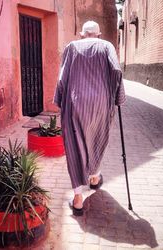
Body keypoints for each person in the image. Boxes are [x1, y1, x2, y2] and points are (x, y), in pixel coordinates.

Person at [53, 20, 126, 216]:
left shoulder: (72, 47)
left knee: (74, 146)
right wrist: (118, 98)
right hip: (101, 104)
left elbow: (62, 78)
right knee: (96, 140)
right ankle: (94, 177)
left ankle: (78, 198)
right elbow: (117, 72)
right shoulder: (107, 46)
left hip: (75, 103)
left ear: (82, 34)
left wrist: (60, 100)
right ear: (99, 34)